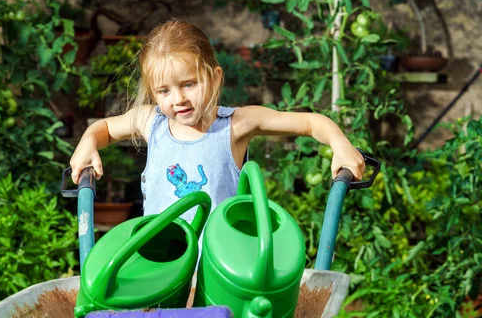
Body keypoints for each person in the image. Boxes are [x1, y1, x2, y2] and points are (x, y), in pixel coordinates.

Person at [70, 19, 365, 221]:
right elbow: (105, 128)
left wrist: (340, 143)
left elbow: (311, 123)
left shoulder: (235, 125)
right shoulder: (151, 122)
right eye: (164, 90)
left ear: (215, 78)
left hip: (219, 270)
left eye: (189, 84)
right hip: (164, 267)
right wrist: (87, 143)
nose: (178, 99)